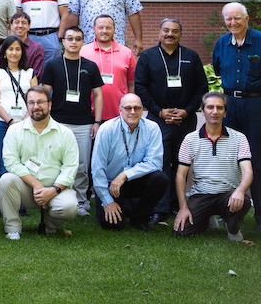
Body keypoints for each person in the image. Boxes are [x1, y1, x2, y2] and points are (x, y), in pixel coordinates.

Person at [211, 2, 261, 232]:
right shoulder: (222, 43)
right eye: (228, 19)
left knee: (260, 160)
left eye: (237, 18)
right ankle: (229, 211)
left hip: (258, 105)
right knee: (229, 159)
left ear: (247, 18)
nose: (233, 23)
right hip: (230, 106)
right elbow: (219, 70)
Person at [134, 17, 206, 223]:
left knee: (182, 163)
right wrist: (159, 111)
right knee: (160, 163)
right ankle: (160, 208)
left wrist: (186, 110)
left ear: (180, 34)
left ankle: (178, 204)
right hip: (157, 121)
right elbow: (140, 87)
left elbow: (201, 87)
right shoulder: (148, 57)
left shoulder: (191, 56)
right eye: (166, 30)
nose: (170, 34)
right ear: (159, 33)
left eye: (175, 31)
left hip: (186, 120)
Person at [0, 85, 79, 240]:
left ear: (49, 104)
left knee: (69, 207)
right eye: (31, 102)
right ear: (27, 106)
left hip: (55, 189)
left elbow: (70, 167)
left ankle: (49, 225)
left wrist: (53, 190)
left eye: (40, 102)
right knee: (6, 180)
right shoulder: (14, 131)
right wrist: (36, 185)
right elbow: (11, 162)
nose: (36, 107)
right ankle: (13, 228)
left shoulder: (65, 133)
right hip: (26, 188)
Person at [40, 26, 103, 217]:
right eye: (70, 38)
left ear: (83, 42)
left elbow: (98, 95)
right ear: (63, 42)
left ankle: (82, 202)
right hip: (57, 122)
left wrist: (97, 121)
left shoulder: (90, 66)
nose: (73, 42)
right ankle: (53, 198)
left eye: (77, 38)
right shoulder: (53, 65)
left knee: (82, 165)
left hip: (83, 123)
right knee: (56, 163)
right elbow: (44, 92)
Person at [173, 92, 254, 240]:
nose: (215, 112)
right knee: (182, 232)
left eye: (220, 108)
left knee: (244, 202)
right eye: (210, 107)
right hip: (201, 194)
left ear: (225, 112)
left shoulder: (239, 138)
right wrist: (183, 208)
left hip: (228, 195)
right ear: (202, 111)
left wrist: (240, 191)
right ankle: (206, 220)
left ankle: (232, 228)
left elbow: (248, 170)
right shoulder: (190, 139)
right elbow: (180, 175)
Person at [91, 94, 168, 231]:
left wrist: (125, 175)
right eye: (128, 108)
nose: (133, 112)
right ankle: (125, 206)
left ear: (142, 110)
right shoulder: (107, 129)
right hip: (110, 184)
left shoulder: (152, 128)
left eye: (137, 108)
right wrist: (108, 201)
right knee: (113, 226)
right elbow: (97, 169)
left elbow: (155, 163)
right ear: (120, 110)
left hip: (134, 180)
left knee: (160, 179)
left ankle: (139, 217)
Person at [0, 35, 38, 177]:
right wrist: (10, 121)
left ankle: (25, 196)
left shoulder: (30, 73)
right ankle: (4, 197)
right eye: (10, 49)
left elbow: (35, 100)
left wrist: (24, 121)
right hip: (3, 123)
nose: (14, 52)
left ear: (22, 52)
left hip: (27, 123)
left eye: (17, 49)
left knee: (26, 160)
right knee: (4, 161)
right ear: (4, 53)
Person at [79, 14, 136, 122]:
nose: (104, 31)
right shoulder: (82, 52)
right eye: (100, 27)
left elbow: (131, 84)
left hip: (120, 115)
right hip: (89, 115)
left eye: (108, 27)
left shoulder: (126, 53)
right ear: (93, 29)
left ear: (114, 29)